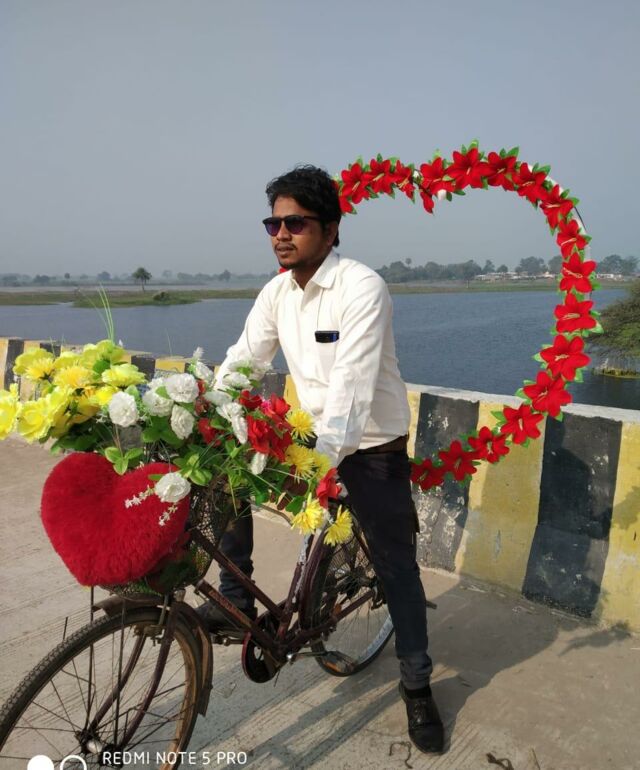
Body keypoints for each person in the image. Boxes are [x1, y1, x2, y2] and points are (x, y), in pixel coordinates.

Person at [198, 165, 444, 754]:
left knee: (396, 567)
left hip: (371, 445)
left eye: (296, 224)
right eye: (273, 225)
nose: (281, 235)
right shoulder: (276, 293)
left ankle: (417, 684)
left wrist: (321, 468)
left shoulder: (362, 287)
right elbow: (242, 362)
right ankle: (235, 600)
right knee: (225, 476)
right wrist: (211, 411)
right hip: (312, 439)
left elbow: (352, 389)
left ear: (330, 230)